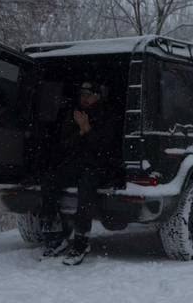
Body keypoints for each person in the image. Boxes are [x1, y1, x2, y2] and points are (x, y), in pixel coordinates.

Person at [40, 80, 120, 265]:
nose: (84, 99)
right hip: (77, 163)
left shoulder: (108, 115)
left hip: (101, 166)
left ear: (98, 96)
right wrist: (80, 132)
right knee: (49, 179)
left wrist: (87, 129)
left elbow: (104, 149)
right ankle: (55, 237)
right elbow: (64, 144)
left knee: (86, 187)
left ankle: (81, 242)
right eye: (82, 95)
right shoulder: (74, 114)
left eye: (89, 95)